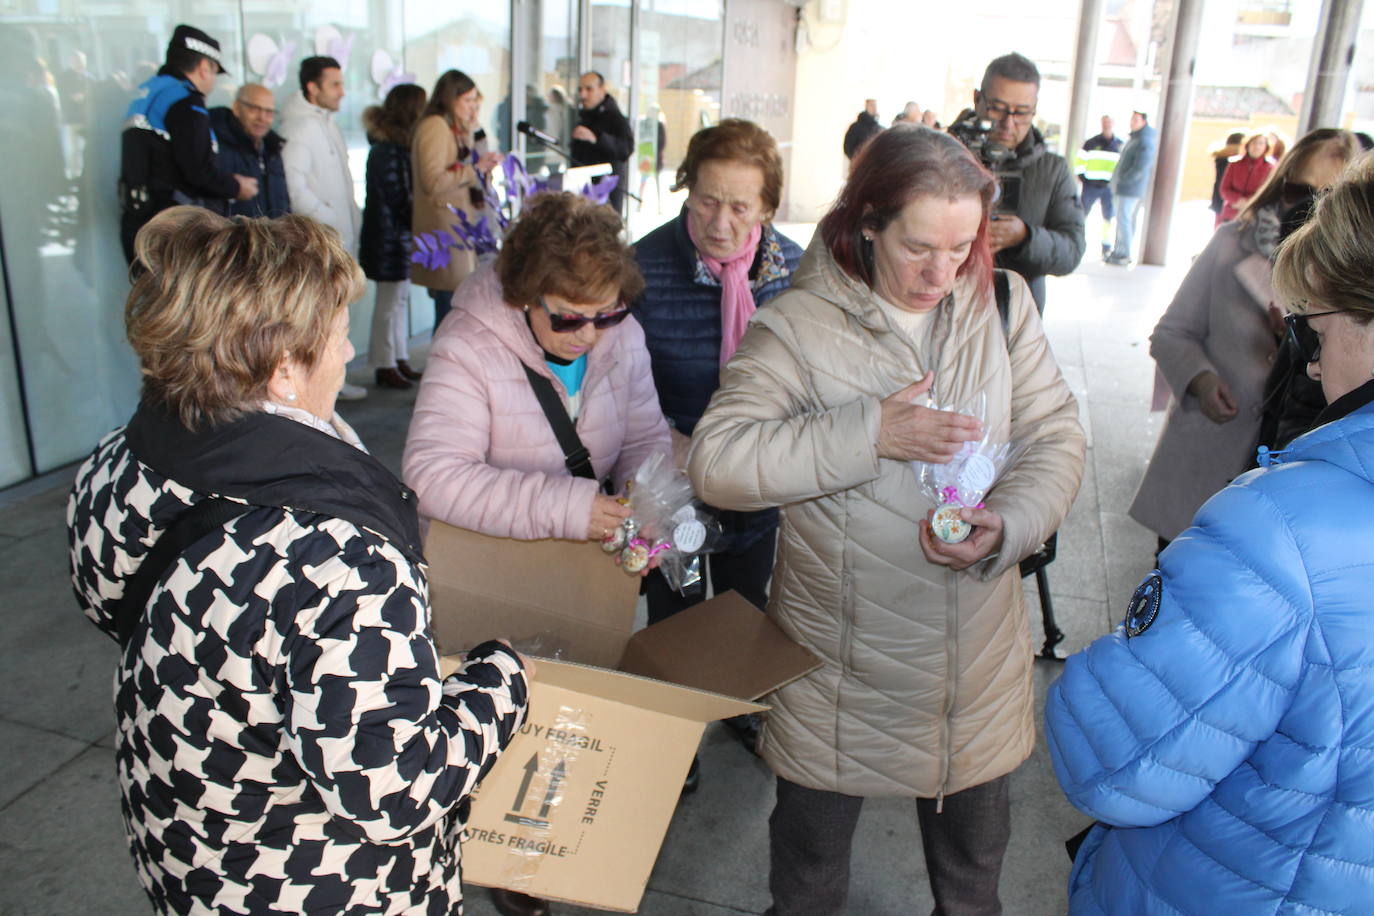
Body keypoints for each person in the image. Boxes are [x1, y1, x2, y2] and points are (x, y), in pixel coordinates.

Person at [67, 206, 531, 915]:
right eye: (339, 334)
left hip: (185, 834)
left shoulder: (120, 457)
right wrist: (502, 681)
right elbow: (391, 789)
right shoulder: (341, 555)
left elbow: (111, 600)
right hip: (311, 883)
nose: (346, 354)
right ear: (284, 369)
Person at [686, 126, 1085, 916]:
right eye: (918, 248)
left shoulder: (1003, 303)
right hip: (837, 672)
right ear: (868, 224)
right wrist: (870, 433)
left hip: (972, 669)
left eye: (962, 247)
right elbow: (718, 461)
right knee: (807, 883)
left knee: (973, 885)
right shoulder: (799, 325)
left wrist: (1008, 522)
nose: (942, 273)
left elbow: (1055, 436)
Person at [1045, 153, 1374, 916]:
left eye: (1317, 333)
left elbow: (1110, 760)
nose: (1312, 369)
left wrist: (1128, 650)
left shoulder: (1279, 531)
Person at [404, 192, 669, 916]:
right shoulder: (469, 343)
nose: (589, 334)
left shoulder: (621, 335)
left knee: (564, 720)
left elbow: (645, 438)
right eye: (568, 317)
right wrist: (571, 509)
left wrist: (649, 508)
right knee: (494, 720)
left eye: (605, 314)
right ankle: (498, 861)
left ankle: (539, 848)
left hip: (577, 568)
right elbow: (431, 474)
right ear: (525, 296)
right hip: (489, 576)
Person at [1127, 129, 1359, 553]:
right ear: (1280, 181)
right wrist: (1200, 380)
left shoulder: (1348, 292)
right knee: (1175, 569)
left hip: (1279, 485)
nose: (1305, 209)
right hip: (1207, 456)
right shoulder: (1231, 241)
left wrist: (1297, 340)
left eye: (1323, 196)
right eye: (1299, 190)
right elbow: (1171, 331)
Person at [631, 118, 802, 623]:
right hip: (670, 487)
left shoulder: (795, 275)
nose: (720, 223)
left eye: (740, 207)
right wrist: (665, 438)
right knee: (673, 626)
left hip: (755, 489)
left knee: (741, 621)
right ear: (688, 190)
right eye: (707, 201)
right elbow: (613, 387)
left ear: (767, 207)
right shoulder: (640, 268)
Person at [118, 24, 257, 263]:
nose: (213, 82)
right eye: (214, 72)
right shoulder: (185, 101)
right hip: (173, 230)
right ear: (204, 67)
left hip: (140, 220)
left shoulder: (149, 91)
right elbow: (198, 171)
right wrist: (236, 186)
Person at [964, 52, 1085, 313]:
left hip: (1016, 317)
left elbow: (1072, 251)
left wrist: (1025, 237)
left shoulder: (1053, 170)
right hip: (945, 308)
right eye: (998, 108)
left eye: (1021, 112)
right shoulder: (943, 156)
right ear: (977, 99)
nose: (1008, 123)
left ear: (1034, 109)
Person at [281, 55, 367, 402]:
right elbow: (294, 187)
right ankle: (319, 387)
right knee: (322, 320)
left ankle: (332, 384)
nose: (342, 91)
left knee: (337, 316)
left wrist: (349, 218)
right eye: (335, 84)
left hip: (337, 239)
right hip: (320, 243)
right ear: (312, 87)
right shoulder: (300, 127)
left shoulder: (326, 124)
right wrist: (328, 220)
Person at [412, 69, 503, 332]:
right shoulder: (435, 126)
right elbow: (432, 181)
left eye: (476, 101)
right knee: (449, 311)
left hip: (457, 226)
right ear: (450, 99)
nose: (472, 107)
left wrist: (480, 164)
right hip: (445, 229)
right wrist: (474, 169)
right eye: (467, 100)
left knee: (455, 308)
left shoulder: (455, 128)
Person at [360, 83, 426, 390]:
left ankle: (398, 358)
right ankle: (384, 363)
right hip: (387, 236)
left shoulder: (397, 147)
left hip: (394, 235)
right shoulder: (387, 149)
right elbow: (400, 197)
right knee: (389, 304)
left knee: (398, 300)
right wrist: (421, 222)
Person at [209, 83, 291, 218]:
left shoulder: (273, 149)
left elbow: (284, 202)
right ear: (236, 107)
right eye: (254, 109)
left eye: (269, 112)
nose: (262, 118)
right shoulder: (218, 147)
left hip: (273, 231)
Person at [571, 71, 634, 213]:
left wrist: (597, 138)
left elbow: (626, 150)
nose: (583, 95)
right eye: (580, 89)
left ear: (602, 89)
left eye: (589, 89)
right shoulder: (583, 117)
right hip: (582, 192)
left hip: (606, 196)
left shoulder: (616, 119)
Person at [1104, 110, 1158, 266]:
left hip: (1130, 189)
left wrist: (1124, 179)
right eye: (1132, 119)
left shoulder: (1144, 140)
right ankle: (1119, 250)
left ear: (1144, 122)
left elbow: (1141, 166)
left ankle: (1124, 253)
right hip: (1125, 188)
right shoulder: (1135, 139)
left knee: (1124, 221)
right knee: (1123, 220)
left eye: (1136, 119)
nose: (1132, 122)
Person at [1077, 114, 1123, 258]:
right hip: (1091, 185)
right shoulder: (1091, 143)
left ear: (1113, 123)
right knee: (1082, 215)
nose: (1107, 125)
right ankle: (1078, 242)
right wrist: (1083, 178)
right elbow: (1080, 161)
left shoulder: (1119, 145)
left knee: (1108, 218)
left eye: (1109, 122)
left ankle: (1106, 246)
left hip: (1108, 188)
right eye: (1104, 122)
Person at [1217, 132, 1274, 225]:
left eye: (1261, 143)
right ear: (1247, 145)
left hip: (1254, 216)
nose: (1257, 146)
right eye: (1254, 143)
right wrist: (1238, 200)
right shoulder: (1234, 165)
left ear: (1266, 147)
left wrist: (1248, 204)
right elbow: (1224, 189)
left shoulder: (1270, 169)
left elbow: (1268, 193)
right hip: (1231, 213)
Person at [1208, 130, 1245, 223]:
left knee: (1219, 227)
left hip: (1218, 199)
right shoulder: (1235, 161)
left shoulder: (1221, 156)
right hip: (1230, 202)